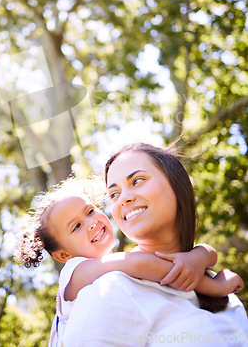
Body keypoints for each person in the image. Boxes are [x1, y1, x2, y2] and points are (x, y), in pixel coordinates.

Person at [13, 175, 243, 346]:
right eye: (76, 226)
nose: (91, 222)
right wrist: (213, 285)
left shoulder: (115, 267)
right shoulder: (75, 272)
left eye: (90, 211)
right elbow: (142, 264)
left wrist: (200, 254)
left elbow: (151, 261)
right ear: (63, 256)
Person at [61, 143, 248, 346]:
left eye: (137, 180)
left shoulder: (229, 301)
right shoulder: (111, 288)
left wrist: (203, 258)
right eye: (114, 194)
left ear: (176, 183)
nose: (123, 198)